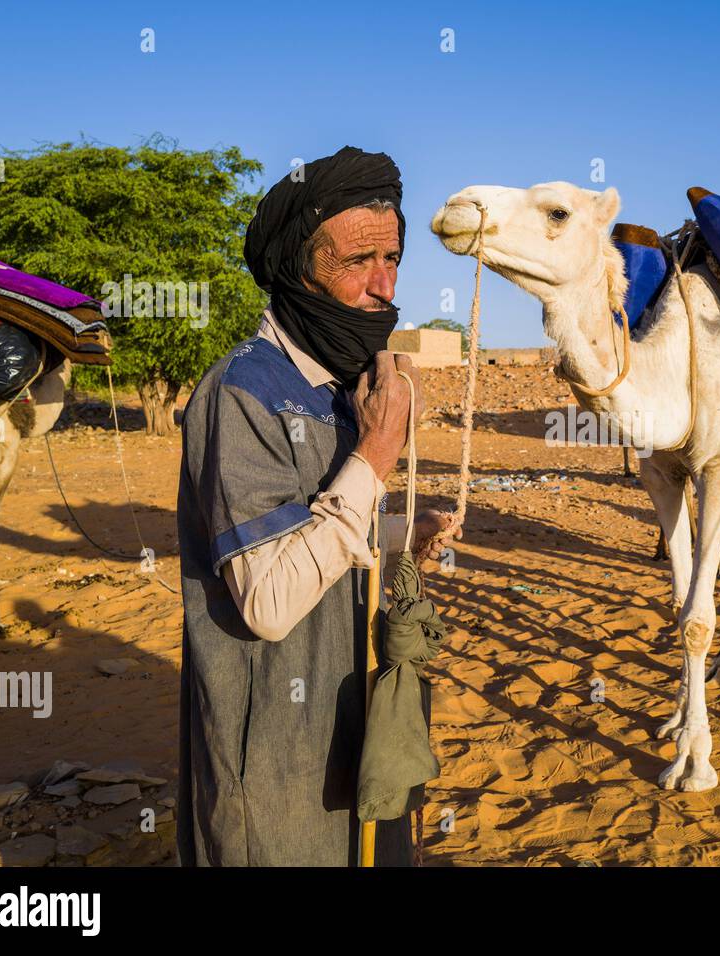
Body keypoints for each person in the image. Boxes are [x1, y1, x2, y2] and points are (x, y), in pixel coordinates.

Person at [175, 146, 458, 866]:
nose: (383, 284)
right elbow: (268, 601)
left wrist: (396, 536)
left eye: (393, 259)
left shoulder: (343, 386)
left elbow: (324, 533)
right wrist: (374, 457)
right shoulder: (242, 394)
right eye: (358, 260)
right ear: (300, 265)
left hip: (353, 730)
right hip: (273, 755)